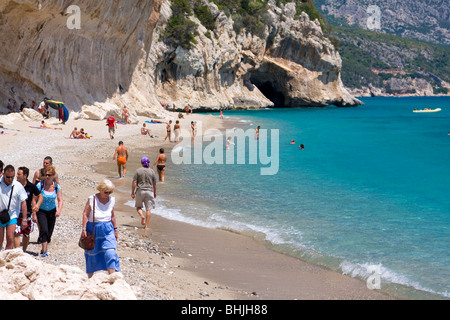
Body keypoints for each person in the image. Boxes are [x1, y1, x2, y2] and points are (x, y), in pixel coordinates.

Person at [81, 179, 119, 278]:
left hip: (108, 229)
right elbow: (85, 214)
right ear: (100, 189)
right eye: (106, 192)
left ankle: (112, 277)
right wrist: (84, 229)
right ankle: (90, 278)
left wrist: (115, 229)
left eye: (110, 192)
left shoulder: (111, 200)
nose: (108, 194)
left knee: (110, 252)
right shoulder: (92, 199)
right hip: (93, 229)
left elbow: (113, 216)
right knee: (92, 254)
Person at [35, 166, 63, 257]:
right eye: (46, 175)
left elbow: (60, 200)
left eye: (49, 175)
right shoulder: (40, 185)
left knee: (49, 233)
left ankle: (44, 245)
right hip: (41, 211)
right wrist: (34, 213)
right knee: (44, 230)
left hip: (52, 211)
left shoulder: (56, 187)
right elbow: (33, 199)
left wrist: (59, 210)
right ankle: (44, 250)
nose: (47, 177)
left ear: (53, 175)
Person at [14, 167, 42, 252]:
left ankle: (24, 251)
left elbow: (40, 196)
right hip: (16, 213)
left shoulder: (31, 186)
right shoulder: (14, 185)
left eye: (19, 174)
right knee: (16, 233)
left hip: (28, 214)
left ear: (25, 175)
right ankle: (18, 252)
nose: (17, 176)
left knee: (26, 234)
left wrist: (37, 205)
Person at [0, 165, 28, 250]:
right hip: (0, 214)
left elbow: (23, 202)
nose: (10, 179)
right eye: (8, 177)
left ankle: (7, 258)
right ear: (4, 174)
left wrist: (24, 219)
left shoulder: (18, 186)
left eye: (12, 177)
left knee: (10, 238)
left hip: (12, 215)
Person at [131, 157, 156, 229]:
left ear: (142, 163)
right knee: (148, 209)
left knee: (138, 207)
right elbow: (154, 183)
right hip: (150, 191)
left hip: (140, 191)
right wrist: (154, 192)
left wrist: (132, 192)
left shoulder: (138, 171)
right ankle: (146, 226)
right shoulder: (152, 171)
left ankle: (142, 216)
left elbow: (134, 182)